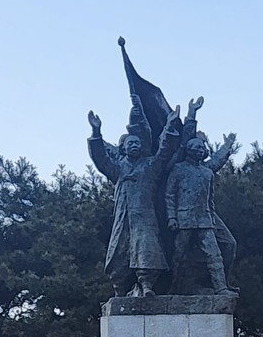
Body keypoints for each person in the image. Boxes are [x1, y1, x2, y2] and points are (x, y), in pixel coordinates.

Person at [87, 97, 180, 297]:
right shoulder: (118, 168)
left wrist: (170, 127)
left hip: (144, 218)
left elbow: (164, 151)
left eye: (137, 142)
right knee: (119, 253)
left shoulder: (150, 165)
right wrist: (96, 132)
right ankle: (119, 291)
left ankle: (147, 285)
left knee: (147, 249)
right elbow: (101, 159)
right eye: (130, 143)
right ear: (124, 148)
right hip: (123, 218)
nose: (134, 145)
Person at [165, 120, 237, 296]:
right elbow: (169, 195)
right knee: (179, 256)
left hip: (205, 219)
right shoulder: (178, 169)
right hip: (184, 220)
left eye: (203, 148)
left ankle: (221, 287)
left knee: (215, 254)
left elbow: (210, 200)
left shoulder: (207, 172)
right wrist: (171, 217)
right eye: (198, 147)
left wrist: (227, 145)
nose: (202, 150)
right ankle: (174, 287)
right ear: (189, 150)